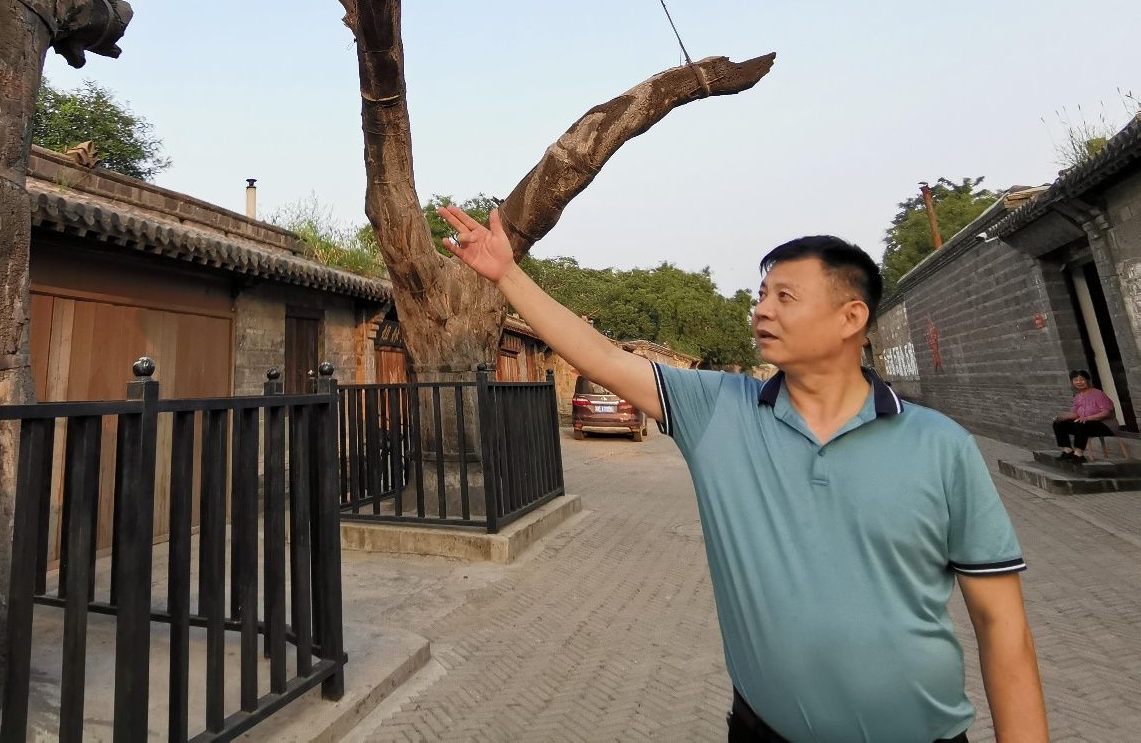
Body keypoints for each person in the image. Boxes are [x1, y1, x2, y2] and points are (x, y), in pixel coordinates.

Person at [437, 204, 1048, 743]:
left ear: (850, 317)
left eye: (785, 296)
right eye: (761, 295)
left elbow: (1003, 628)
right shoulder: (718, 413)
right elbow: (599, 354)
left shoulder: (941, 447)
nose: (761, 311)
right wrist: (508, 275)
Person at [1052, 369, 1116, 463]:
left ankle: (1079, 454)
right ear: (1072, 382)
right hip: (1086, 425)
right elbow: (1075, 414)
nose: (1079, 382)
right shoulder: (1077, 397)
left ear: (1087, 380)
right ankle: (1067, 451)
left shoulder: (1098, 394)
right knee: (1059, 424)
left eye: (1081, 379)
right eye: (1075, 380)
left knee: (1081, 423)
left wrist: (1087, 418)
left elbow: (1106, 413)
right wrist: (1062, 417)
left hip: (1104, 425)